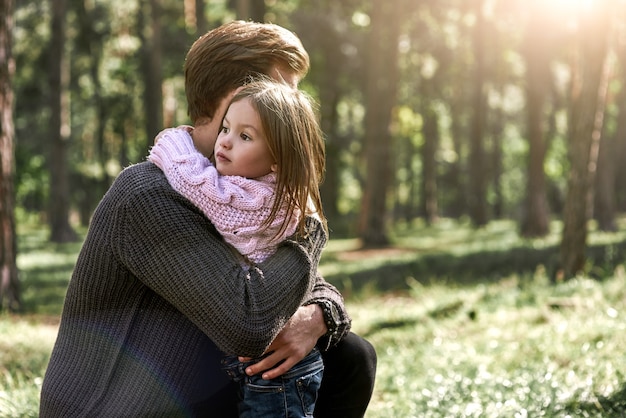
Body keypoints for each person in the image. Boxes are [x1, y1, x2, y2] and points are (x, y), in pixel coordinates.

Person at [40, 20, 376, 417]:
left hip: (189, 391)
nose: (296, 113)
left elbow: (306, 285)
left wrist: (318, 316)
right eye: (284, 94)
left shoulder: (246, 189)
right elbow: (248, 325)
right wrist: (307, 225)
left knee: (351, 356)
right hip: (116, 407)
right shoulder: (150, 194)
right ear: (240, 97)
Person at [149, 79, 327, 416]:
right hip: (261, 357)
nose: (225, 142)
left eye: (245, 136)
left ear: (278, 160)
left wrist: (175, 139)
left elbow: (190, 179)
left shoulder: (254, 201)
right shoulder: (284, 193)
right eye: (226, 128)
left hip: (275, 370)